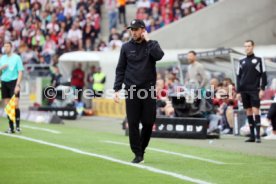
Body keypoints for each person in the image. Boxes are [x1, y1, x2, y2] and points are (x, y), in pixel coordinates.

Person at [113, 19, 164, 164]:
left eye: (136, 29)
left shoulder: (152, 44)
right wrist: (117, 89)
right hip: (131, 90)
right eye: (131, 29)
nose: (133, 32)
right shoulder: (125, 47)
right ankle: (137, 153)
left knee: (148, 122)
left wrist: (148, 40)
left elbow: (159, 56)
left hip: (148, 90)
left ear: (143, 30)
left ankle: (142, 147)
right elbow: (120, 69)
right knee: (133, 122)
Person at [236, 40, 267, 143]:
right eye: (245, 46)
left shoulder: (259, 59)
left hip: (255, 90)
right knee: (248, 111)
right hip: (244, 90)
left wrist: (262, 89)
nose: (247, 48)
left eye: (249, 46)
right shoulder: (241, 61)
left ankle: (258, 136)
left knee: (255, 110)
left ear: (253, 46)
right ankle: (252, 136)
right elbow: (238, 77)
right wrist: (238, 92)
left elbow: (263, 75)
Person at [0, 42, 24, 134]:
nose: (5, 48)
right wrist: (2, 68)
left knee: (15, 104)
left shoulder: (17, 58)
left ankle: (17, 126)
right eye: (4, 46)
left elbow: (20, 72)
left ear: (11, 47)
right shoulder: (2, 59)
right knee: (8, 106)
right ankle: (11, 128)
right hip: (4, 82)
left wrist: (18, 85)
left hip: (14, 82)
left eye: (7, 46)